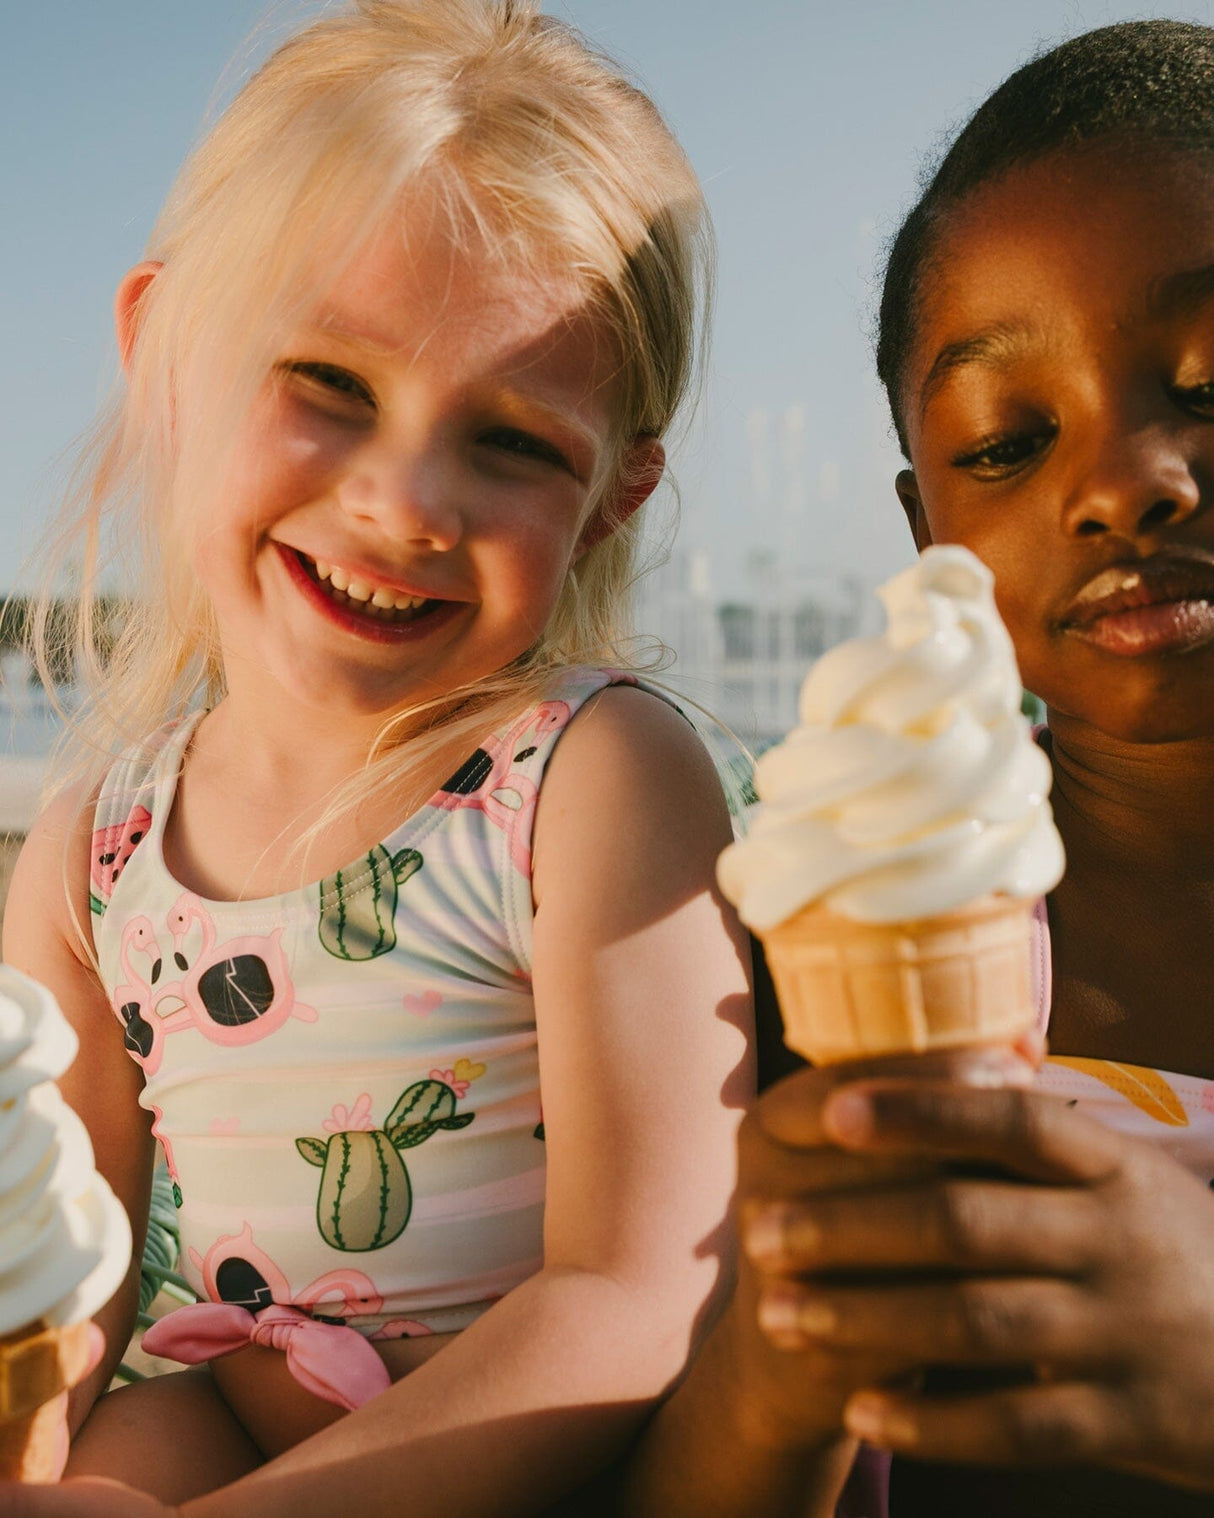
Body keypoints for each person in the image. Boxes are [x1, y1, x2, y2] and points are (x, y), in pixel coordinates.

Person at [0, 3, 753, 1514]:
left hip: (531, 1459)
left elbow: (631, 1298)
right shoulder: (97, 841)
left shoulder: (586, 779)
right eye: (328, 387)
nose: (404, 502)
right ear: (160, 354)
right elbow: (59, 1263)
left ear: (609, 500)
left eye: (513, 443)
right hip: (215, 1418)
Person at [603, 19, 1214, 1517]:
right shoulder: (826, 943)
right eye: (1006, 440)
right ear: (922, 526)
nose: (1123, 483)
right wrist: (780, 1366)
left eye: (1204, 380)